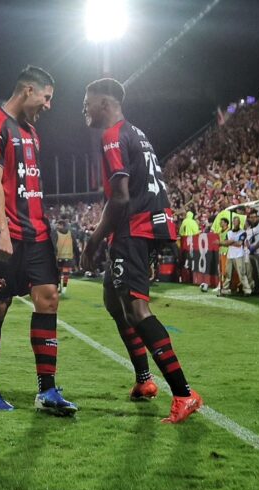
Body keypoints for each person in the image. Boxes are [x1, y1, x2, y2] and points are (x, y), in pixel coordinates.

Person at [81, 77, 203, 424]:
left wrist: (93, 241)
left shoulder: (112, 136)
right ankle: (144, 380)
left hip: (134, 228)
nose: (84, 109)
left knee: (136, 309)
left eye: (87, 101)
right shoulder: (137, 132)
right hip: (147, 224)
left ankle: (183, 393)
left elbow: (119, 197)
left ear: (105, 103)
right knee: (112, 299)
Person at [0, 65, 77, 415]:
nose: (48, 106)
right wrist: (2, 230)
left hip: (35, 232)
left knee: (48, 300)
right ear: (29, 90)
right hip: (3, 232)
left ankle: (47, 391)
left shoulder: (31, 132)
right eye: (47, 98)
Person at [219, 216, 251, 296]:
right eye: (234, 221)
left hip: (239, 255)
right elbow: (225, 244)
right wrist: (231, 242)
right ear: (233, 223)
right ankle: (225, 289)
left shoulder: (242, 232)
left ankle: (247, 290)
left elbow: (239, 244)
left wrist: (229, 242)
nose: (235, 223)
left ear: (239, 222)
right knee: (227, 274)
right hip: (230, 255)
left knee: (241, 274)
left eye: (237, 221)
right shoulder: (229, 232)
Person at [53, 219, 77, 295]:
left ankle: (59, 287)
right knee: (66, 273)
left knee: (59, 273)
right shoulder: (70, 233)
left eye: (58, 225)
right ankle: (64, 288)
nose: (57, 226)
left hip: (59, 256)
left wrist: (54, 254)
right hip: (68, 256)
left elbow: (54, 245)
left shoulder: (56, 233)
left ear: (62, 225)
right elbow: (75, 245)